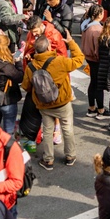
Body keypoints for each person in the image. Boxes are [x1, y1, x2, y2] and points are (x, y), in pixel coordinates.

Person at [21, 32, 85, 170]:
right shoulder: (59, 61)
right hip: (62, 102)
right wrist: (71, 42)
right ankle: (70, 156)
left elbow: (26, 87)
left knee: (48, 131)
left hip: (43, 104)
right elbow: (79, 59)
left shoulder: (31, 67)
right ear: (49, 47)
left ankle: (48, 159)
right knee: (67, 128)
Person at [81, 5, 107, 119]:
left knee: (93, 82)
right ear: (99, 15)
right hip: (96, 59)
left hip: (88, 57)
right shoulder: (97, 29)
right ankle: (100, 109)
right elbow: (97, 48)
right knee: (98, 84)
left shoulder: (86, 26)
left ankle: (91, 107)